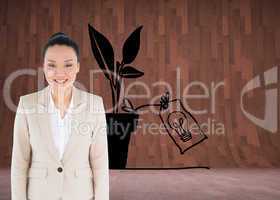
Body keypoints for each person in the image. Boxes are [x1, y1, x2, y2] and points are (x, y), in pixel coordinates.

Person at [11, 32, 109, 200]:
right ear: (43, 66)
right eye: (52, 65)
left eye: (68, 65)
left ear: (78, 66)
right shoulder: (27, 105)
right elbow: (20, 163)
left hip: (80, 195)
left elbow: (100, 163)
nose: (60, 73)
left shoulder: (94, 105)